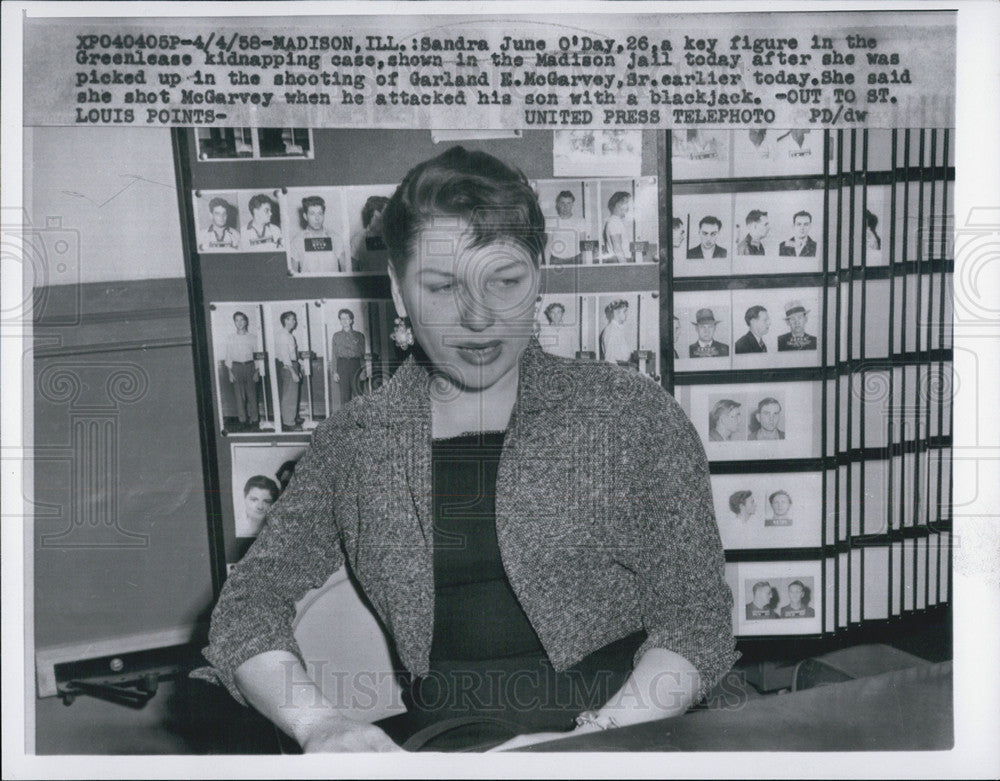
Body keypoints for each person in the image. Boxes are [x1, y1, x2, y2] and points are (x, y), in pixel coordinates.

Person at [194, 145, 737, 753]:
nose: (478, 318)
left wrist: (587, 746)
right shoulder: (355, 443)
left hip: (626, 734)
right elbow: (246, 607)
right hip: (452, 748)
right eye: (443, 287)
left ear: (539, 276)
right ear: (399, 293)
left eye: (503, 281)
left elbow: (697, 620)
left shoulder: (630, 414)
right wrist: (322, 725)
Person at [224, 311, 260, 432]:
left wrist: (257, 371)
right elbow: (228, 356)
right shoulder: (230, 338)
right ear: (234, 322)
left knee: (252, 395)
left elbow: (258, 356)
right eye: (236, 320)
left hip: (250, 367)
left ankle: (255, 420)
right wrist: (230, 372)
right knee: (239, 397)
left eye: (241, 320)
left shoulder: (253, 338)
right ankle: (242, 421)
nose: (239, 323)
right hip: (236, 367)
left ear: (246, 321)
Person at [294, 195, 348, 273]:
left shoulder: (335, 238)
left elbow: (345, 269)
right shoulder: (297, 241)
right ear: (305, 216)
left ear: (323, 215)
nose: (317, 218)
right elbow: (293, 274)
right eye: (312, 214)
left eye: (320, 213)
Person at [331, 308, 367, 405]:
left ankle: (359, 419)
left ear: (351, 320)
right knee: (344, 396)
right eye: (342, 318)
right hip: (342, 365)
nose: (345, 321)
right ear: (340, 321)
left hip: (355, 365)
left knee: (358, 394)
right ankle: (346, 419)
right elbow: (334, 354)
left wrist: (364, 370)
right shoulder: (336, 336)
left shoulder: (359, 336)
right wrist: (334, 371)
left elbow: (362, 355)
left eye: (347, 318)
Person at [274, 310, 302, 432]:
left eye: (294, 319)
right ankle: (288, 423)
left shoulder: (290, 335)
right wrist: (293, 372)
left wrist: (298, 368)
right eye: (292, 319)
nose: (294, 321)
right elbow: (285, 356)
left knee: (292, 395)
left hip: (293, 365)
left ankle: (292, 418)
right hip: (288, 367)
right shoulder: (282, 335)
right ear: (285, 320)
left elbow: (293, 355)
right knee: (289, 396)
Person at [350, 195, 391, 274]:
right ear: (370, 215)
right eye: (378, 217)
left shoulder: (392, 237)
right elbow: (353, 268)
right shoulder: (358, 239)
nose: (383, 220)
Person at [547, 190, 586, 265]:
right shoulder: (551, 221)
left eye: (568, 203)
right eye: (563, 203)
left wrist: (586, 264)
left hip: (576, 260)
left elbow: (583, 244)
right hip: (556, 260)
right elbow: (548, 246)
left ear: (572, 205)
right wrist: (546, 266)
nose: (565, 207)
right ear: (558, 204)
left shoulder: (580, 221)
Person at [599, 299, 632, 365]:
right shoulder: (611, 330)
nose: (627, 314)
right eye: (624, 311)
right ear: (616, 312)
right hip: (617, 370)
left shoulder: (617, 329)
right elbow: (610, 359)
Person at [602, 191, 632, 263]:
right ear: (618, 205)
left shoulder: (615, 221)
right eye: (626, 203)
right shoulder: (614, 222)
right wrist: (625, 266)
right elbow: (617, 248)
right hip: (619, 262)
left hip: (619, 261)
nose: (628, 208)